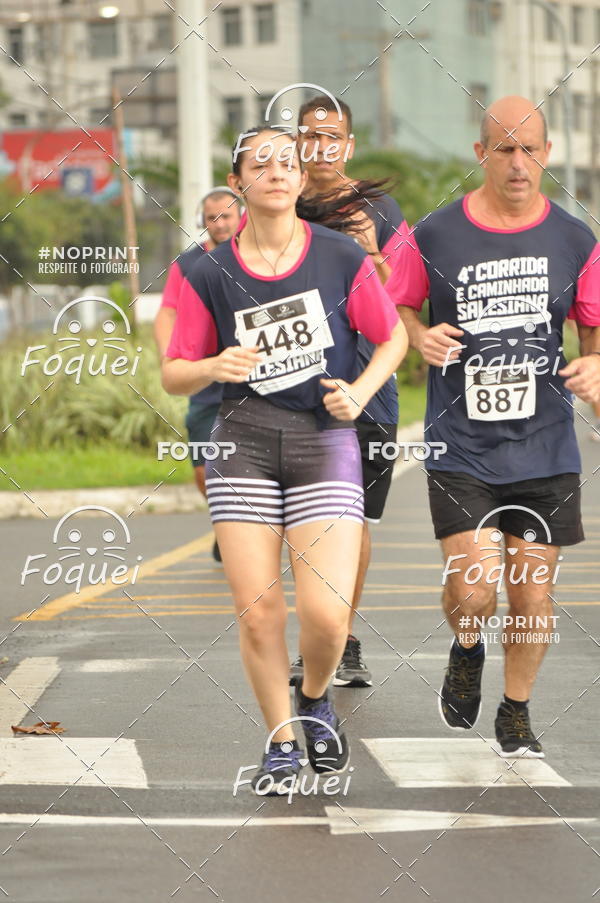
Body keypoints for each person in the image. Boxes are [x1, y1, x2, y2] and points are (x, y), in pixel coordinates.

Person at [162, 126, 408, 794]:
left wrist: (359, 392)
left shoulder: (336, 256)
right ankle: (278, 741)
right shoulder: (206, 270)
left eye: (288, 161)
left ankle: (316, 695)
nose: (276, 169)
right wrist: (213, 363)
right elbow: (174, 374)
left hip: (321, 438)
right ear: (238, 180)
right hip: (241, 439)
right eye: (260, 161)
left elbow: (393, 336)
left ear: (302, 181)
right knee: (260, 610)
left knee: (326, 615)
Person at [387, 95, 600, 758]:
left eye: (529, 148)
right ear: (480, 153)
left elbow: (591, 335)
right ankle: (466, 644)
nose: (517, 162)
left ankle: (516, 708)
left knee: (533, 594)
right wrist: (418, 336)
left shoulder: (576, 240)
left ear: (547, 154)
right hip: (462, 443)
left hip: (546, 443)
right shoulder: (434, 235)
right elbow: (391, 308)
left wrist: (595, 371)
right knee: (475, 588)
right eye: (504, 148)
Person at [287, 94, 409, 689]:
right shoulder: (279, 201)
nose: (321, 147)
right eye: (310, 135)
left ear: (350, 144)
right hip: (294, 391)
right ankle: (316, 634)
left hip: (370, 391)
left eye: (333, 135)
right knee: (306, 523)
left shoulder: (383, 210)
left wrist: (370, 252)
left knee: (354, 524)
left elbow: (407, 301)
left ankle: (344, 637)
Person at [154, 188, 243, 561]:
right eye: (212, 218)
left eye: (226, 216)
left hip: (251, 376)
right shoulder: (189, 264)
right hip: (204, 379)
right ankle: (227, 521)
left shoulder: (256, 257)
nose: (220, 224)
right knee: (204, 471)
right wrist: (170, 359)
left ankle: (244, 530)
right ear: (202, 222)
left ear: (241, 217)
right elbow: (167, 312)